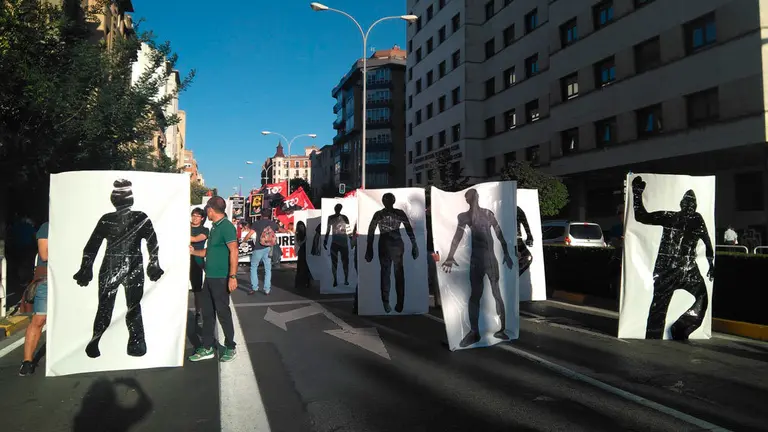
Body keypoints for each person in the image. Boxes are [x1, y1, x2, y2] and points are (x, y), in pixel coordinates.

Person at [74, 179, 164, 358]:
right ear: (130, 200)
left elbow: (92, 246)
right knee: (133, 307)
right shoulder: (140, 217)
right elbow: (153, 242)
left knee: (105, 307)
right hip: (133, 266)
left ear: (113, 200)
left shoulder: (107, 219)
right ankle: (136, 344)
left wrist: (86, 268)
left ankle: (95, 342)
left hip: (111, 266)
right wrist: (153, 263)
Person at [632, 176, 715, 340]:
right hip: (670, 269)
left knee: (700, 299)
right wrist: (637, 194)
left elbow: (707, 242)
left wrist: (711, 264)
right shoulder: (674, 217)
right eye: (688, 202)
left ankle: (677, 329)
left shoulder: (694, 219)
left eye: (692, 203)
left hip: (683, 269)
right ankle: (658, 334)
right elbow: (642, 217)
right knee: (659, 308)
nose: (690, 206)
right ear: (682, 204)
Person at [441, 189, 514, 348]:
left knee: (495, 292)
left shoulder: (487, 214)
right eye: (470, 198)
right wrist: (450, 255)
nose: (472, 200)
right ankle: (475, 331)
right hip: (477, 260)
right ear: (467, 200)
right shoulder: (465, 216)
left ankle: (500, 329)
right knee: (476, 295)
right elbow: (457, 236)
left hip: (489, 259)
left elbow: (499, 233)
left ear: (477, 197)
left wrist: (507, 253)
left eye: (473, 197)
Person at [188, 196, 239, 362]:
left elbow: (234, 252)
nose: (205, 213)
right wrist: (192, 251)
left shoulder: (226, 227)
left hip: (221, 278)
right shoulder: (215, 228)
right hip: (209, 278)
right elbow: (208, 252)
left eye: (206, 210)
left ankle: (230, 346)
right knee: (208, 314)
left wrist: (232, 276)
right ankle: (208, 347)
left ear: (210, 210)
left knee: (223, 313)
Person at [364, 193, 418, 313]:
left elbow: (408, 228)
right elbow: (371, 230)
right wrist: (369, 248)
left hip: (393, 245)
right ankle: (389, 302)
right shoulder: (384, 214)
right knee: (388, 273)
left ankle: (396, 302)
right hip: (388, 245)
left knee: (392, 273)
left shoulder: (392, 214)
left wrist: (414, 244)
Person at [19, 221, 49, 376]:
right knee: (39, 318)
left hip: (69, 278)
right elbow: (44, 254)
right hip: (46, 277)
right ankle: (27, 361)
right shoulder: (47, 227)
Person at [248, 208, 279, 295]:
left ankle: (255, 287)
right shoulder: (272, 223)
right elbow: (279, 229)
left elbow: (250, 234)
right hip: (269, 248)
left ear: (261, 215)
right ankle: (267, 289)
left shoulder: (257, 223)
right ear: (269, 215)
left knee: (254, 267)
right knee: (268, 269)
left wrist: (244, 240)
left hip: (258, 247)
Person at [324, 203, 351, 287]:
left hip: (343, 242)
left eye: (339, 208)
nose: (337, 210)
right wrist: (325, 240)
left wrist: (352, 240)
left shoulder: (345, 217)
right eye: (337, 208)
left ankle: (346, 279)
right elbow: (328, 230)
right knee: (334, 262)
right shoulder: (331, 217)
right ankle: (335, 279)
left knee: (345, 262)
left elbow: (348, 229)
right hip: (335, 242)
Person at [190, 208, 209, 324]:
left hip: (196, 262)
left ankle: (198, 312)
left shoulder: (205, 230)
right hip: (181, 262)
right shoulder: (184, 226)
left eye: (197, 216)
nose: (195, 217)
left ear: (202, 218)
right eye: (193, 215)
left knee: (197, 290)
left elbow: (197, 239)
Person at [294, 221, 312, 290]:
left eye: (302, 226)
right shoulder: (298, 233)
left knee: (306, 268)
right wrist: (305, 239)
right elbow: (299, 243)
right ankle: (299, 283)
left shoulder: (306, 233)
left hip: (306, 251)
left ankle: (306, 282)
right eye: (300, 226)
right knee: (301, 267)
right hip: (301, 251)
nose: (302, 228)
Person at [516, 206, 534, 276]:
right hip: (512, 238)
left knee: (528, 257)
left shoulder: (517, 209)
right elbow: (524, 222)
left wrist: (529, 235)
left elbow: (524, 222)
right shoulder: (516, 209)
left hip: (517, 239)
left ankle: (515, 273)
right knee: (527, 257)